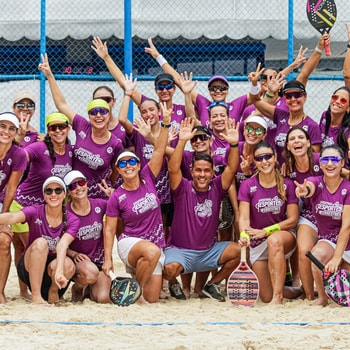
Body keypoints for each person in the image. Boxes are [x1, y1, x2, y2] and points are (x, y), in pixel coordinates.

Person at [163, 118, 241, 302]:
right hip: (181, 251)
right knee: (168, 269)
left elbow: (231, 168)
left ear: (213, 172)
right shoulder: (182, 187)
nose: (202, 175)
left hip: (208, 251)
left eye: (207, 171)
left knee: (237, 251)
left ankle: (212, 285)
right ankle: (174, 284)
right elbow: (173, 168)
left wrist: (235, 144)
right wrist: (182, 140)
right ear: (191, 171)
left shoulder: (217, 187)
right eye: (198, 170)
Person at [103, 102, 172, 304]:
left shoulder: (148, 177)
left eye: (132, 161)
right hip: (130, 243)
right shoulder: (117, 195)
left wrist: (166, 124)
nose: (128, 166)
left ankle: (134, 286)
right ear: (119, 169)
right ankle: (135, 290)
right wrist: (108, 258)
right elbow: (109, 230)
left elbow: (159, 150)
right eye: (122, 164)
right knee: (152, 252)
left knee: (152, 299)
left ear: (139, 164)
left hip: (154, 244)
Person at [39, 53, 124, 198]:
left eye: (103, 111)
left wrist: (109, 183)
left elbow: (117, 169)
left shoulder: (115, 143)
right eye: (93, 112)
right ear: (89, 116)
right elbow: (61, 105)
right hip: (75, 190)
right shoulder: (81, 125)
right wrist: (49, 75)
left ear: (109, 114)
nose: (98, 115)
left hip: (99, 194)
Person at [10, 111, 73, 299]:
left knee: (38, 248)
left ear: (68, 128)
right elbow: (19, 156)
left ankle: (41, 288)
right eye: (54, 128)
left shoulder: (71, 150)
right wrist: (19, 136)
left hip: (48, 207)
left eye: (62, 126)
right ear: (49, 130)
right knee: (31, 247)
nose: (58, 130)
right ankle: (28, 290)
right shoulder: (38, 147)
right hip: (23, 204)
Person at [238, 141, 302, 304]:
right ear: (254, 161)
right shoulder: (247, 185)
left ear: (274, 158)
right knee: (265, 296)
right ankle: (297, 291)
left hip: (283, 237)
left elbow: (293, 219)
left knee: (274, 241)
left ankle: (278, 297)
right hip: (258, 241)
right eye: (260, 158)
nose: (264, 161)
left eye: (268, 156)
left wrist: (266, 231)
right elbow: (244, 218)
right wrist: (244, 235)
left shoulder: (286, 184)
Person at [145, 38, 258, 129]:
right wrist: (159, 57)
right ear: (209, 91)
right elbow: (179, 81)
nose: (218, 91)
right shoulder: (203, 103)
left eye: (222, 88)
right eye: (213, 88)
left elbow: (256, 97)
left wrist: (254, 83)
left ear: (227, 90)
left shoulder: (235, 104)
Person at [91, 37, 188, 137]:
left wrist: (159, 57)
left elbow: (185, 86)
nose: (164, 90)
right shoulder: (149, 107)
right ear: (155, 90)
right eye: (160, 87)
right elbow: (124, 83)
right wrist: (106, 58)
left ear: (175, 88)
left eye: (168, 86)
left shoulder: (183, 110)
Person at [4, 176, 79, 305]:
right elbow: (13, 217)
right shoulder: (35, 210)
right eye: (49, 191)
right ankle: (36, 296)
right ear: (44, 195)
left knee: (68, 264)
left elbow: (62, 246)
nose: (53, 194)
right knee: (41, 243)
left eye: (58, 190)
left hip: (54, 272)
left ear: (64, 194)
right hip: (31, 267)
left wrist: (59, 272)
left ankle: (53, 291)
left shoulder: (73, 219)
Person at [295, 145, 350, 306]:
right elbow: (309, 187)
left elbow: (346, 226)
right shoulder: (316, 182)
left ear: (342, 163)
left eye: (335, 159)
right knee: (316, 255)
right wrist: (305, 191)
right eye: (325, 159)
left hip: (347, 242)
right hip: (329, 241)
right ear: (320, 163)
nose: (330, 163)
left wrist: (337, 258)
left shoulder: (348, 188)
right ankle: (322, 298)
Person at [282, 126, 322, 299]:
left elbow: (340, 175)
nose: (296, 141)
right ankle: (309, 295)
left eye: (300, 137)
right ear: (288, 147)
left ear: (308, 143)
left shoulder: (321, 160)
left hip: (330, 212)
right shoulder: (286, 169)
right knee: (304, 251)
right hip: (309, 214)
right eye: (292, 139)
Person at [64, 170, 111, 303]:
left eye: (81, 182)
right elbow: (56, 243)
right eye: (73, 186)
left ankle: (89, 288)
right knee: (89, 272)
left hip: (99, 261)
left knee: (103, 299)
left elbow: (122, 209)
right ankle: (78, 288)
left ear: (86, 184)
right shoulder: (64, 213)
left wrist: (113, 197)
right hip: (79, 263)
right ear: (68, 192)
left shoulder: (100, 205)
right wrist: (73, 254)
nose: (79, 187)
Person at [0, 112, 27, 304]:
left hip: (1, 203)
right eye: (2, 126)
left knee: (3, 240)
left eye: (11, 128)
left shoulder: (18, 154)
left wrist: (3, 219)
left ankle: (0, 292)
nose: (6, 131)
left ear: (17, 132)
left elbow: (11, 188)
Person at [236, 115, 268, 187]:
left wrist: (248, 173)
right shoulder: (234, 148)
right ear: (244, 129)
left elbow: (262, 188)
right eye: (249, 128)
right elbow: (230, 180)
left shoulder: (266, 156)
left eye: (258, 130)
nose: (253, 133)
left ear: (264, 135)